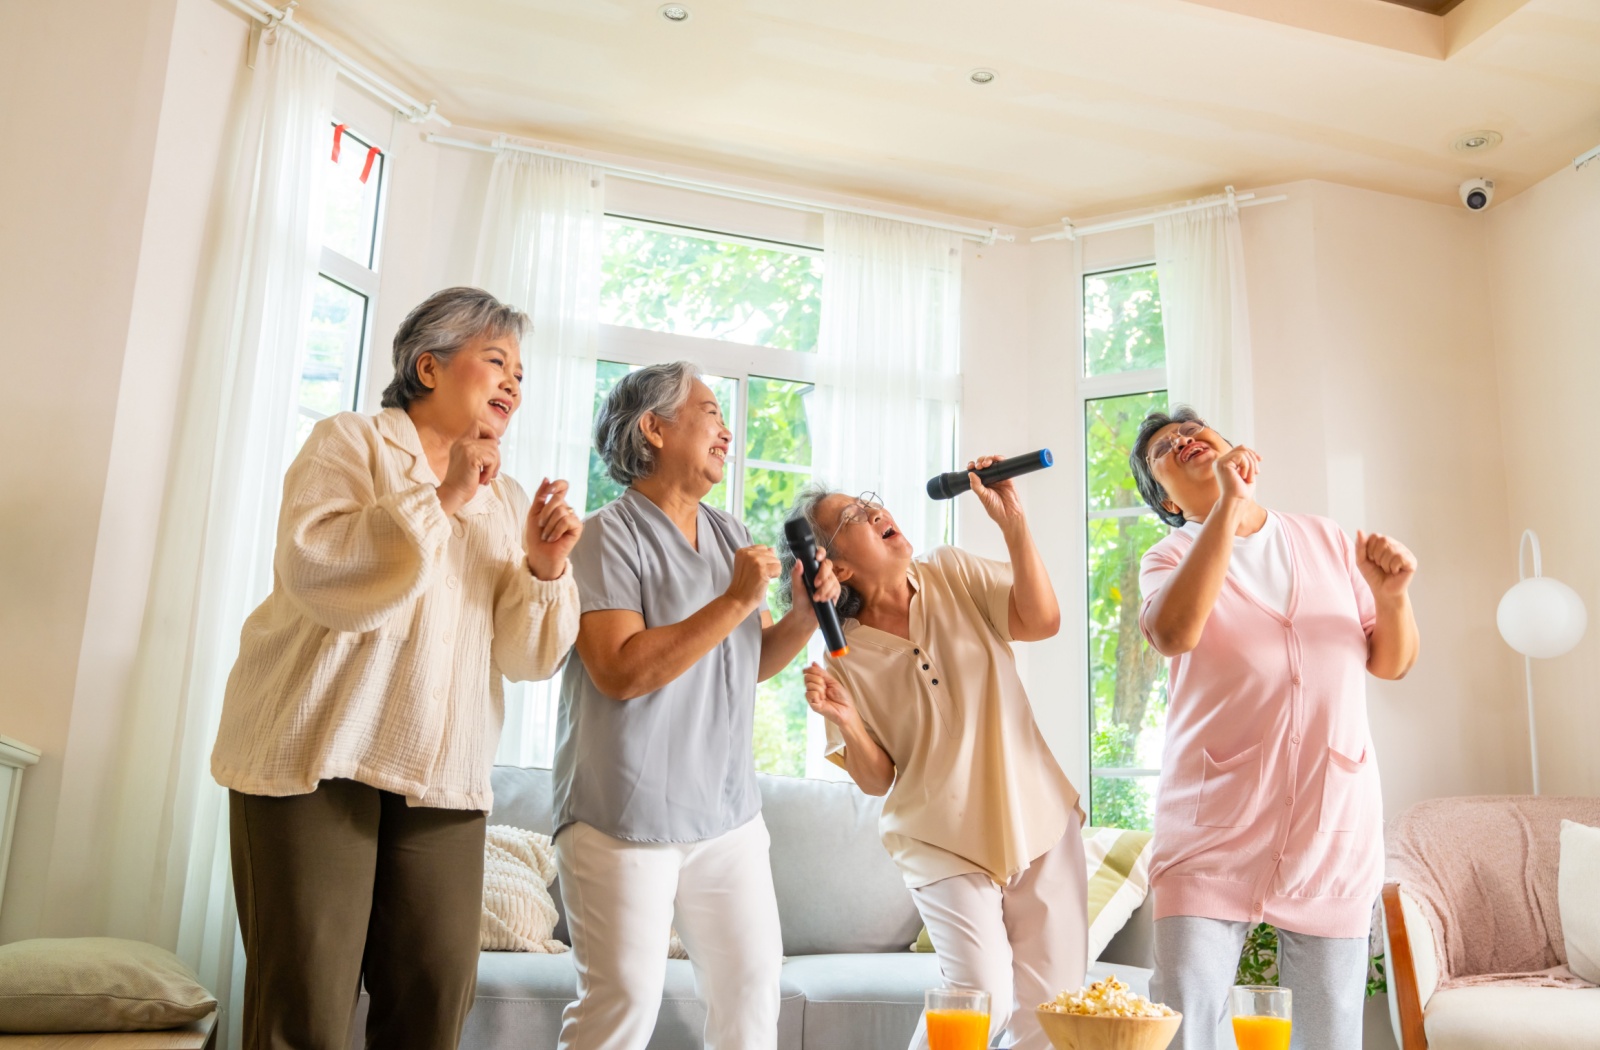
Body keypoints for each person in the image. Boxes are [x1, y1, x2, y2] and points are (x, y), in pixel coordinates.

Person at [211, 286, 583, 1048]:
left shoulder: (508, 498)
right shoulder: (349, 443)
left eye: (522, 372)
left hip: (441, 778)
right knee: (305, 1009)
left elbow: (523, 656)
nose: (514, 382)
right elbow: (319, 569)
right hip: (317, 760)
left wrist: (545, 568)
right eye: (496, 361)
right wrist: (440, 497)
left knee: (435, 997)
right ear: (428, 367)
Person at [553, 361, 840, 1050]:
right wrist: (738, 599)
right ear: (654, 429)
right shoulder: (603, 537)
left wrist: (800, 618)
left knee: (750, 997)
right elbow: (620, 670)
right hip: (623, 818)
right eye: (710, 411)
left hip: (726, 818)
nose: (727, 429)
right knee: (621, 1007)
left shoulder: (727, 532)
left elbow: (740, 663)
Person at [1130, 408, 1420, 1050]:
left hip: (1331, 824)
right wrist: (1229, 509)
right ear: (1168, 505)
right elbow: (1176, 633)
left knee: (1328, 1033)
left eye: (1191, 429)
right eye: (1162, 452)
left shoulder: (1324, 539)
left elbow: (1391, 662)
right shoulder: (1168, 555)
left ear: (1235, 446)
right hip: (1210, 826)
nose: (1181, 440)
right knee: (1184, 1024)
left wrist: (1393, 597)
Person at [794, 457, 1087, 1050]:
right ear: (836, 566)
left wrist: (1014, 526)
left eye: (871, 499)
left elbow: (1042, 620)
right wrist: (847, 721)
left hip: (1037, 814)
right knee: (979, 1001)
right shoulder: (840, 657)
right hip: (937, 838)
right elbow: (877, 781)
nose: (877, 511)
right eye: (854, 515)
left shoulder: (951, 571)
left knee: (1050, 1018)